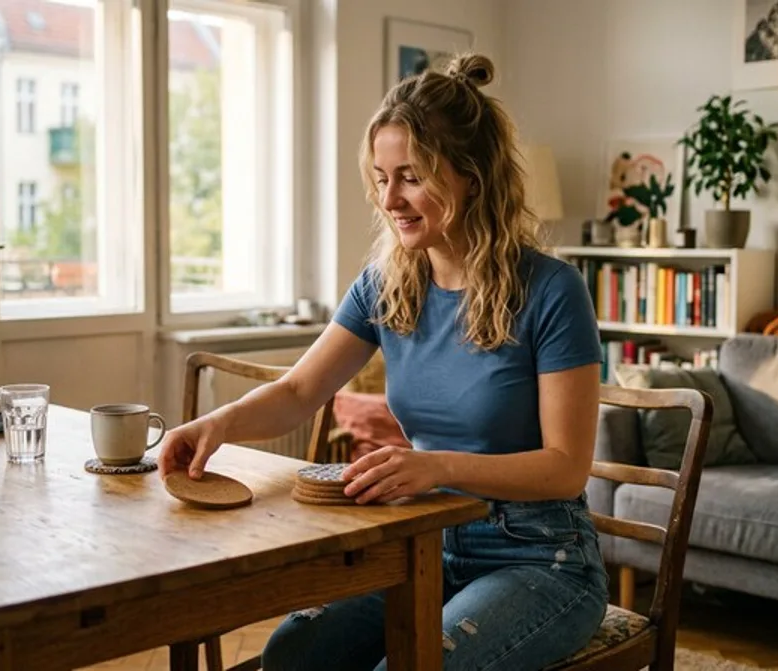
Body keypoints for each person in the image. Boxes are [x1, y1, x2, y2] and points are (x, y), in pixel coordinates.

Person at [157, 52, 608, 670]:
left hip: (539, 559)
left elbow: (566, 469)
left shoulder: (552, 290)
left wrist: (434, 466)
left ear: (471, 176)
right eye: (380, 176)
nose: (389, 198)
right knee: (292, 653)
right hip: (420, 544)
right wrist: (219, 424)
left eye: (412, 176)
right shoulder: (387, 283)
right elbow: (297, 392)